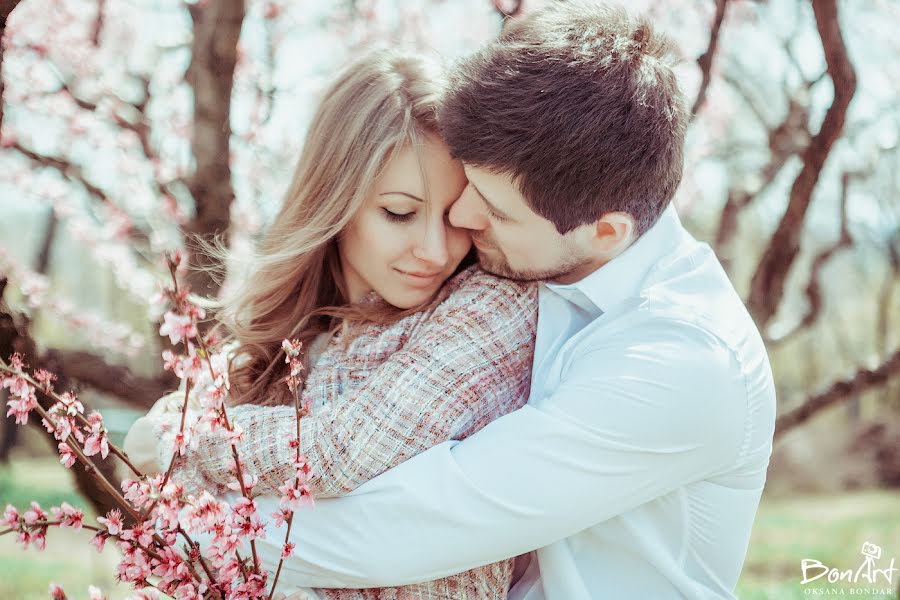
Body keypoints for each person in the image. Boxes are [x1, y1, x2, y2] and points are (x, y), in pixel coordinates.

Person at [133, 2, 777, 598]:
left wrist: (175, 465)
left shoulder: (679, 361)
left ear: (604, 232)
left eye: (489, 208)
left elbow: (389, 534)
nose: (456, 230)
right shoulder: (545, 269)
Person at [124, 48, 537, 599]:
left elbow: (340, 453)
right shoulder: (262, 353)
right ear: (335, 199)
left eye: (453, 213)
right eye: (399, 212)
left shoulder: (490, 310)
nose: (435, 250)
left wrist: (182, 437)